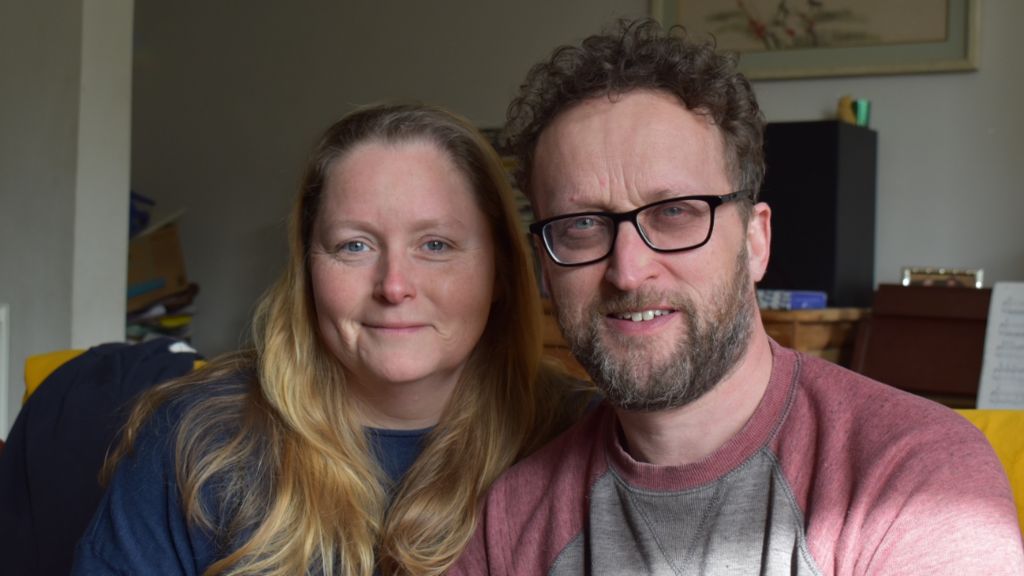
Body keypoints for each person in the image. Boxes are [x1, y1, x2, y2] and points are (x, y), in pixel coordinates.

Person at [451, 19, 1024, 575]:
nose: (627, 271)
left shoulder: (917, 479)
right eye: (581, 225)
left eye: (675, 213)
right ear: (545, 268)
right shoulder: (510, 518)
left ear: (756, 241)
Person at [71, 103, 584, 576]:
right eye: (354, 245)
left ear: (499, 272)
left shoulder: (580, 438)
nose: (394, 286)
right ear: (308, 269)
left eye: (436, 244)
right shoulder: (197, 440)